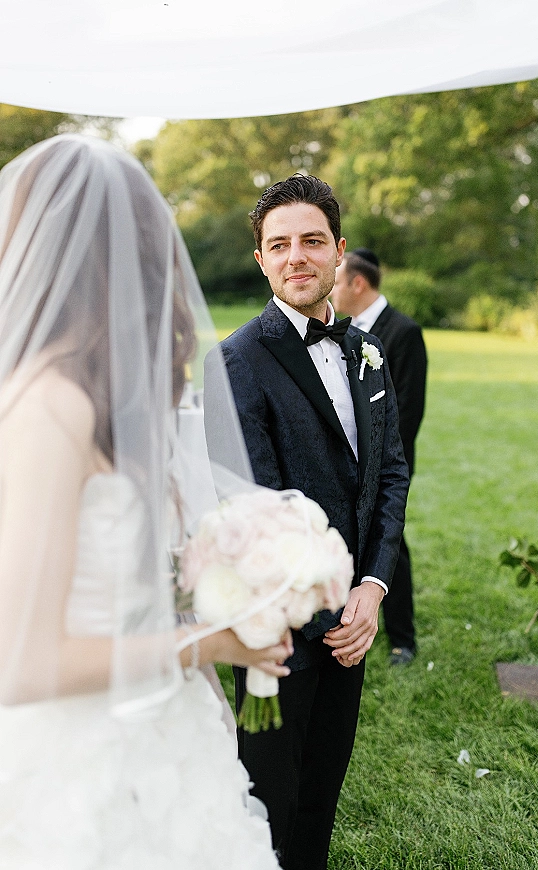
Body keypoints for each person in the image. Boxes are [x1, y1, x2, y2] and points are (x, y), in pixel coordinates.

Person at [0, 134, 293, 868]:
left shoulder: (116, 393)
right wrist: (213, 642)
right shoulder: (48, 404)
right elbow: (22, 664)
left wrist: (230, 599)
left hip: (163, 730)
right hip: (74, 762)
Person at [204, 176, 409, 870]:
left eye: (312, 241)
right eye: (279, 244)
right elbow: (252, 507)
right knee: (269, 807)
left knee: (323, 794)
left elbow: (389, 475)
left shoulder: (367, 351)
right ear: (261, 259)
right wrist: (330, 616)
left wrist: (374, 589)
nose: (297, 256)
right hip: (276, 630)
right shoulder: (236, 361)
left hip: (355, 617)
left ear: (339, 253)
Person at [332, 248, 427, 665]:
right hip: (343, 461)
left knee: (391, 542)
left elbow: (407, 411)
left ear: (358, 283)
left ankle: (403, 638)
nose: (331, 289)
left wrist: (377, 466)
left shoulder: (403, 332)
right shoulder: (338, 330)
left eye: (337, 281)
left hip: (386, 463)